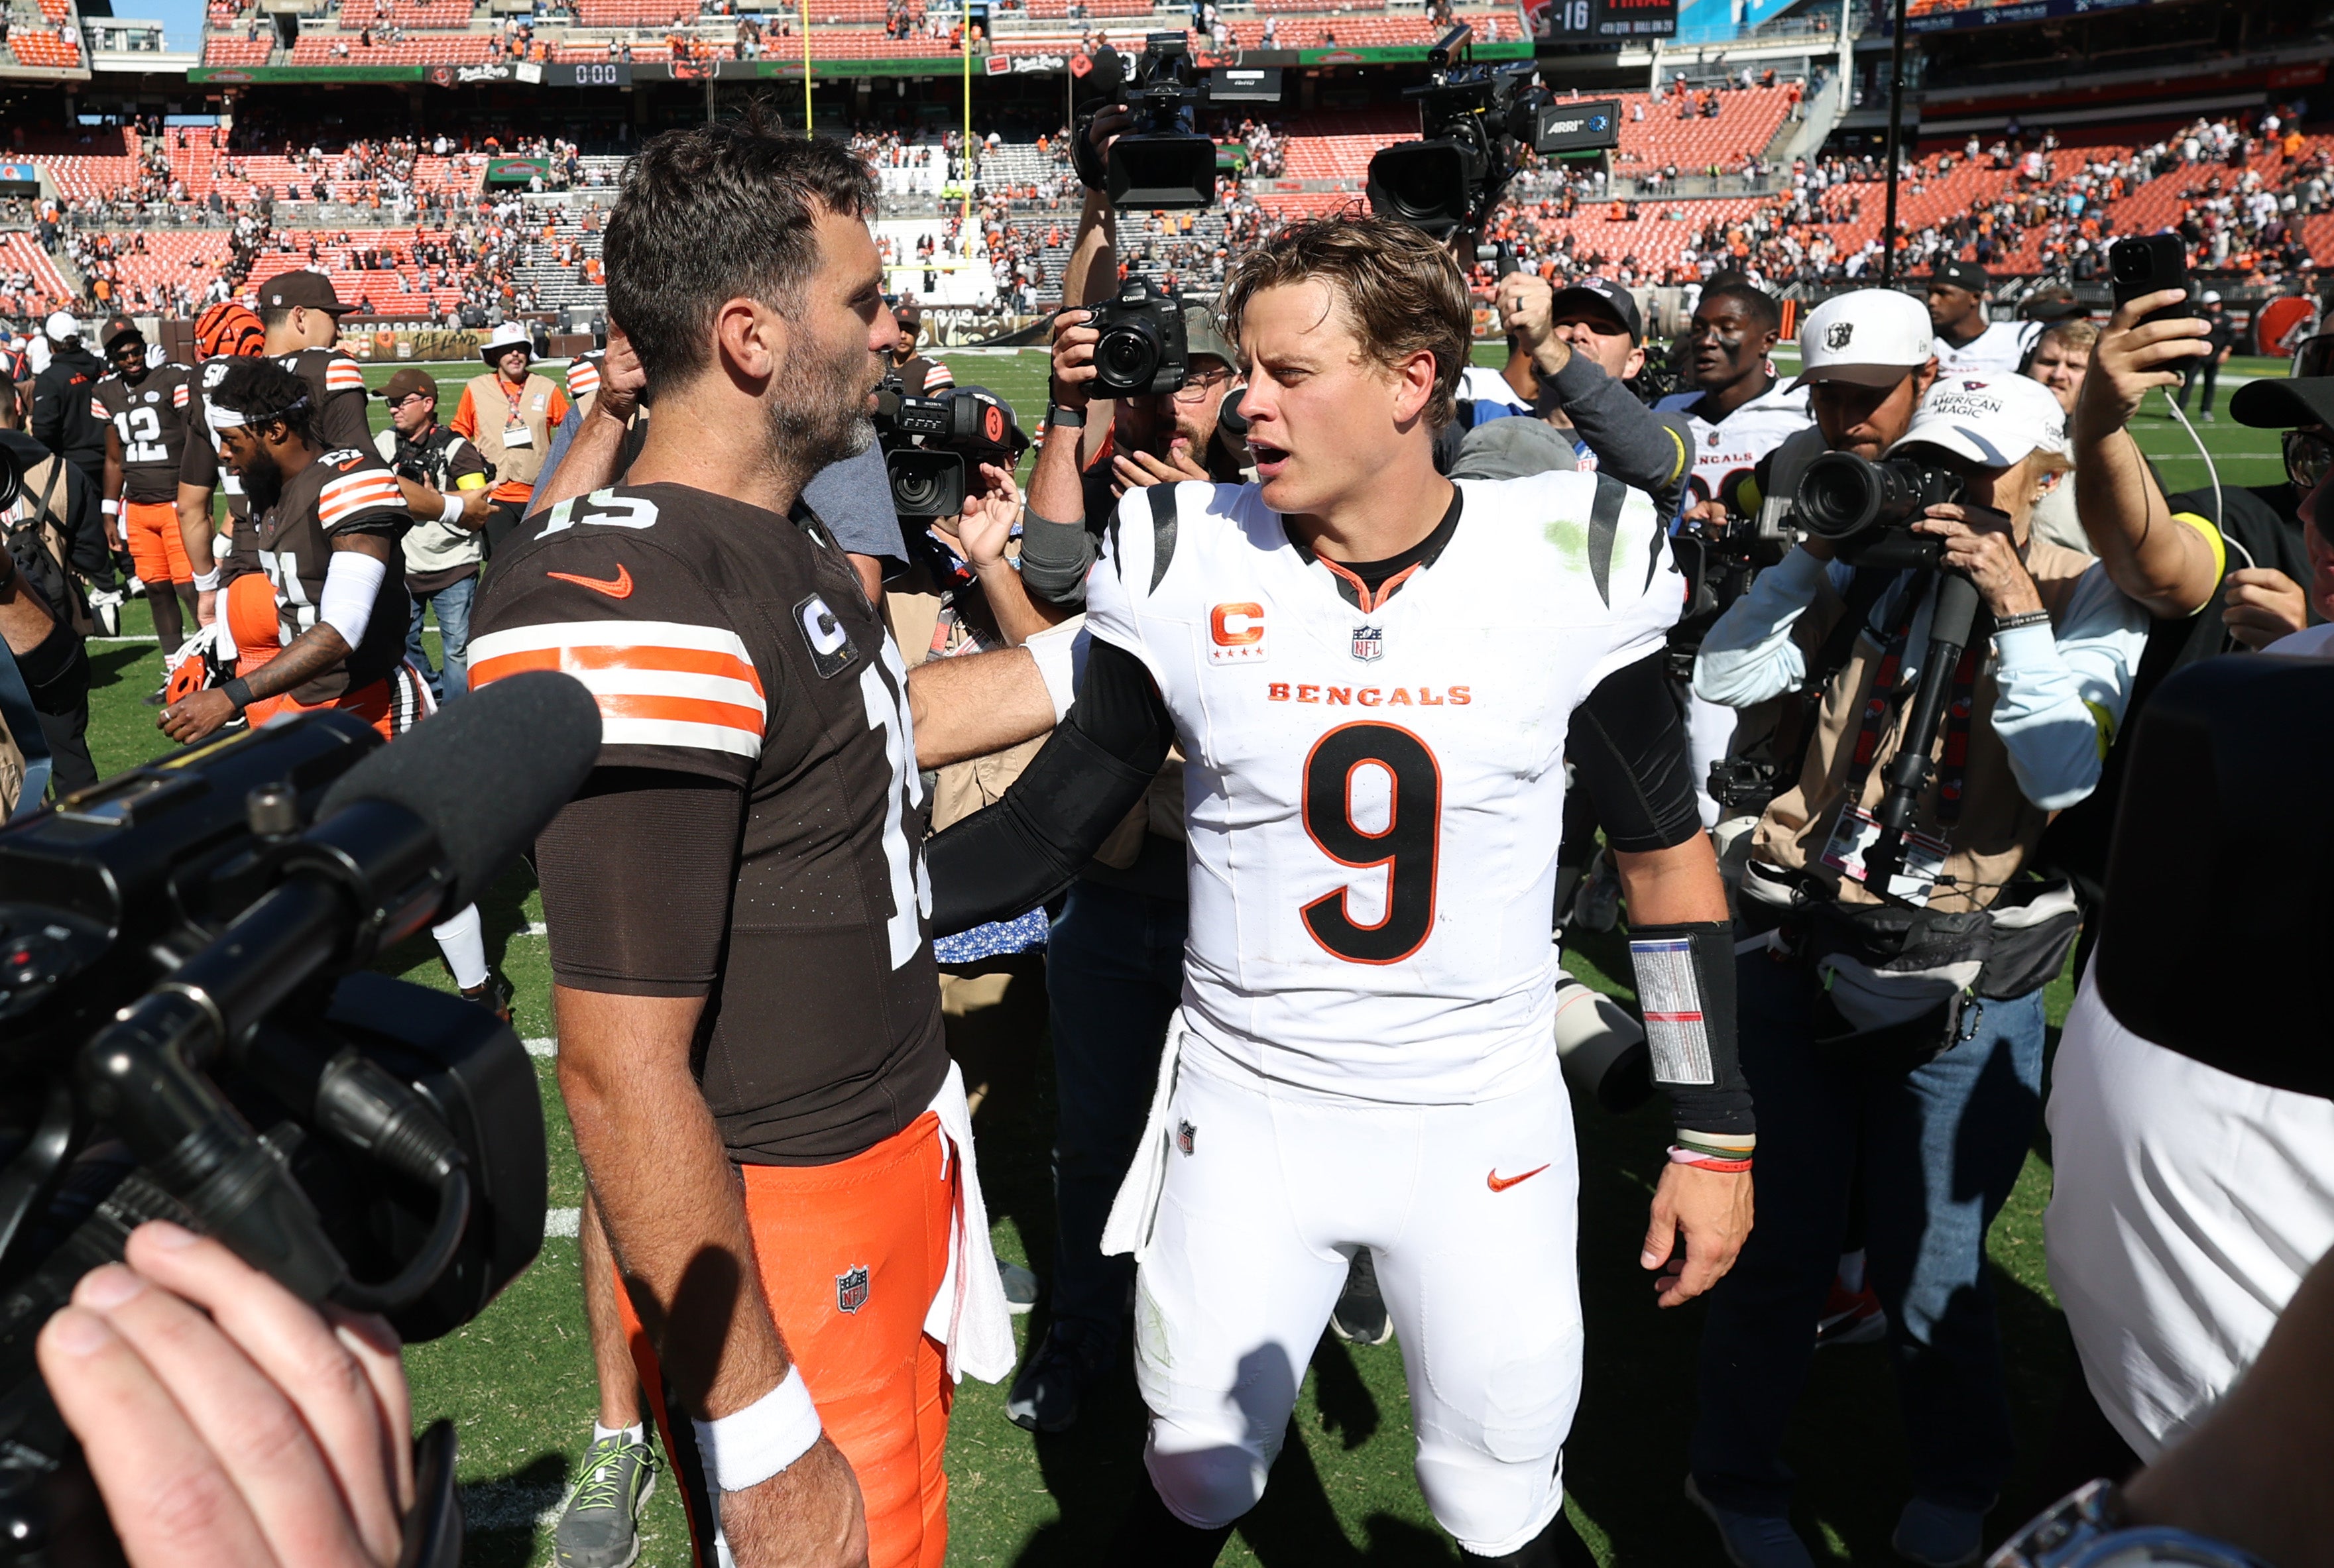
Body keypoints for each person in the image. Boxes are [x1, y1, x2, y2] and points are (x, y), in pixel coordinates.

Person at [925, 214, 1755, 1566]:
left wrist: (1712, 1132)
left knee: (1495, 1499)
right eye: (1242, 368)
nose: (1246, 400)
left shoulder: (1568, 558)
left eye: (1288, 371)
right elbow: (1044, 828)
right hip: (1244, 1112)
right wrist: (851, 903)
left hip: (1473, 1116)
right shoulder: (1181, 553)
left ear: (1409, 381)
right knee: (1192, 1478)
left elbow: (1663, 871)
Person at [467, 119, 1033, 1568]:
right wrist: (765, 1435)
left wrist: (1115, 664)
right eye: (861, 301)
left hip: (884, 1143)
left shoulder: (768, 538)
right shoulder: (632, 584)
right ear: (748, 337)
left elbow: (865, 737)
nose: (891, 332)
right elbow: (614, 1062)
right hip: (787, 1208)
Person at [1688, 372, 2147, 1568]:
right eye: (1927, 467)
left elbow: (2057, 776)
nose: (1939, 499)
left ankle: (1957, 1481)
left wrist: (2014, 607)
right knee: (1776, 1245)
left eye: (1973, 477)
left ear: (2043, 481)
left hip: (1962, 977)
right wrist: (1812, 560)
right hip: (1803, 944)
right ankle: (1734, 1477)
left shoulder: (2086, 591)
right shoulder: (1867, 568)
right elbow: (1723, 682)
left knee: (1934, 1263)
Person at [1, 376, 110, 797]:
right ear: (19, 406)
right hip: (56, 628)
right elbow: (91, 557)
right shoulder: (65, 471)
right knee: (69, 755)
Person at [372, 367, 493, 703]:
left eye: (401, 401)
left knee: (456, 650)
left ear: (427, 403)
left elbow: (481, 505)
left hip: (453, 565)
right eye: (390, 403)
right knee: (403, 641)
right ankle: (437, 693)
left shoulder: (456, 448)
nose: (394, 408)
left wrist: (436, 500)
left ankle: (457, 715)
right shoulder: (383, 443)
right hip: (404, 567)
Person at [89, 315, 198, 671]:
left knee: (190, 590)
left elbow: (195, 440)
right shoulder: (105, 393)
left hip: (175, 503)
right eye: (123, 356)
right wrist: (109, 512)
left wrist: (194, 496)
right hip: (137, 507)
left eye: (137, 352)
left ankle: (214, 666)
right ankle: (176, 672)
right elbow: (113, 458)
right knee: (156, 589)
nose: (133, 360)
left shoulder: (172, 379)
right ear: (111, 359)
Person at [453, 321, 570, 559]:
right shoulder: (476, 388)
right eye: (508, 348)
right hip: (496, 494)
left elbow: (571, 429)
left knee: (539, 562)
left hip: (539, 493)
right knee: (501, 563)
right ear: (496, 355)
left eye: (520, 347)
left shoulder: (546, 387)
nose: (515, 354)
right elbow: (459, 432)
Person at [2022, 319, 2098, 556]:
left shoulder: (2109, 458)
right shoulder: (1993, 439)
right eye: (2047, 362)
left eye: (2074, 366)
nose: (2058, 374)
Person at [30, 311, 108, 499]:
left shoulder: (50, 378)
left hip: (73, 466)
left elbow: (44, 430)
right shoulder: (102, 366)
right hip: (112, 458)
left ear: (51, 342)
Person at [1926, 260, 2028, 375]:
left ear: (1975, 297)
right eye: (1930, 294)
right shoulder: (1923, 342)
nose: (1932, 301)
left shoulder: (2014, 339)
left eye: (1943, 293)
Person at [2174, 290, 2235, 421]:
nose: (2216, 305)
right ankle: (2179, 409)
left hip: (2215, 355)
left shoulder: (2225, 319)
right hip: (2198, 354)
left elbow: (2231, 337)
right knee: (2188, 381)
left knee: (2210, 384)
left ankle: (2206, 410)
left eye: (2217, 303)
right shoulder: (2198, 317)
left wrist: (2226, 351)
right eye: (2212, 303)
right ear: (2205, 305)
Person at [887, 299, 954, 393]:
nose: (903, 336)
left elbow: (940, 403)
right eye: (899, 329)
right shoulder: (875, 362)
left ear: (919, 332)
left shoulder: (933, 369)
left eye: (909, 330)